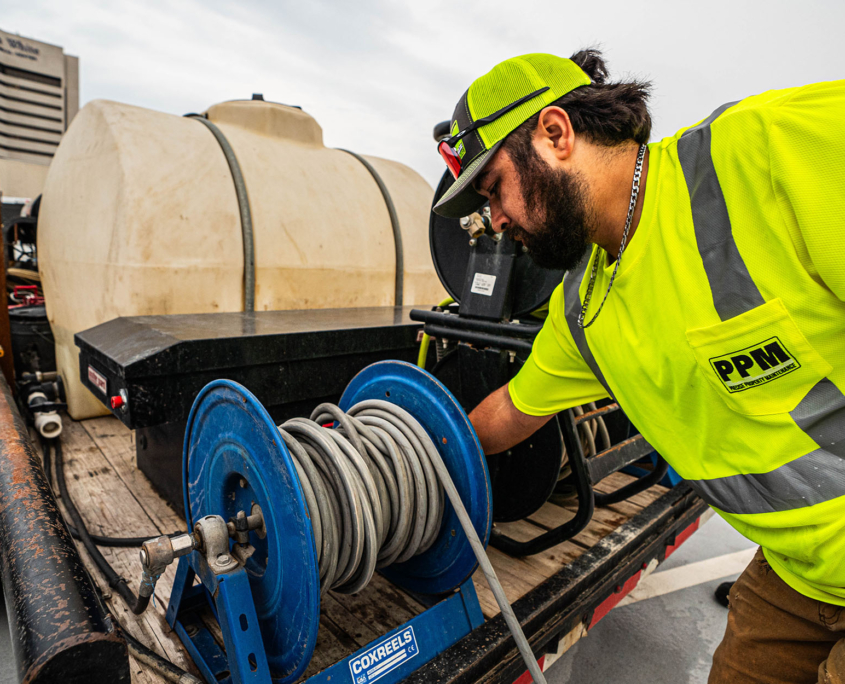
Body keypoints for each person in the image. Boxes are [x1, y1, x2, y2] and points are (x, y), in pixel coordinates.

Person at [432, 49, 845, 684]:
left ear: (555, 133)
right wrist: (415, 454)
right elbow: (515, 408)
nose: (497, 220)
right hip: (799, 572)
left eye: (496, 188)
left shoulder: (767, 152)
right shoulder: (583, 308)